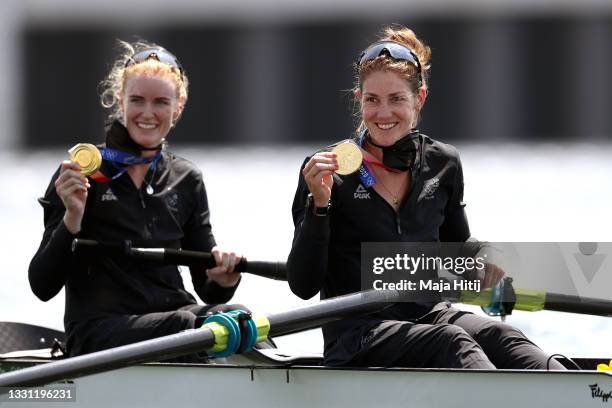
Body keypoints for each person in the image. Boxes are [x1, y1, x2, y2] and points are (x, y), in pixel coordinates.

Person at [287, 25, 565, 370]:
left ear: (419, 98)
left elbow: (458, 250)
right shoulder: (326, 172)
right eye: (372, 100)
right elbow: (302, 285)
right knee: (453, 342)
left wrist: (483, 259)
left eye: (396, 100)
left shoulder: (442, 163)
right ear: (359, 99)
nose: (383, 113)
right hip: (358, 331)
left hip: (431, 313)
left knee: (503, 336)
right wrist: (319, 206)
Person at [29, 40, 245, 358]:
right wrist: (71, 218)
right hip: (100, 332)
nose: (148, 113)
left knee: (237, 315)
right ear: (121, 101)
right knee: (187, 325)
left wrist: (225, 278)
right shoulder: (81, 174)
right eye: (137, 100)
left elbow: (207, 287)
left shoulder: (187, 179)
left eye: (160, 102)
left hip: (176, 324)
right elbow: (42, 285)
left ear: (178, 106)